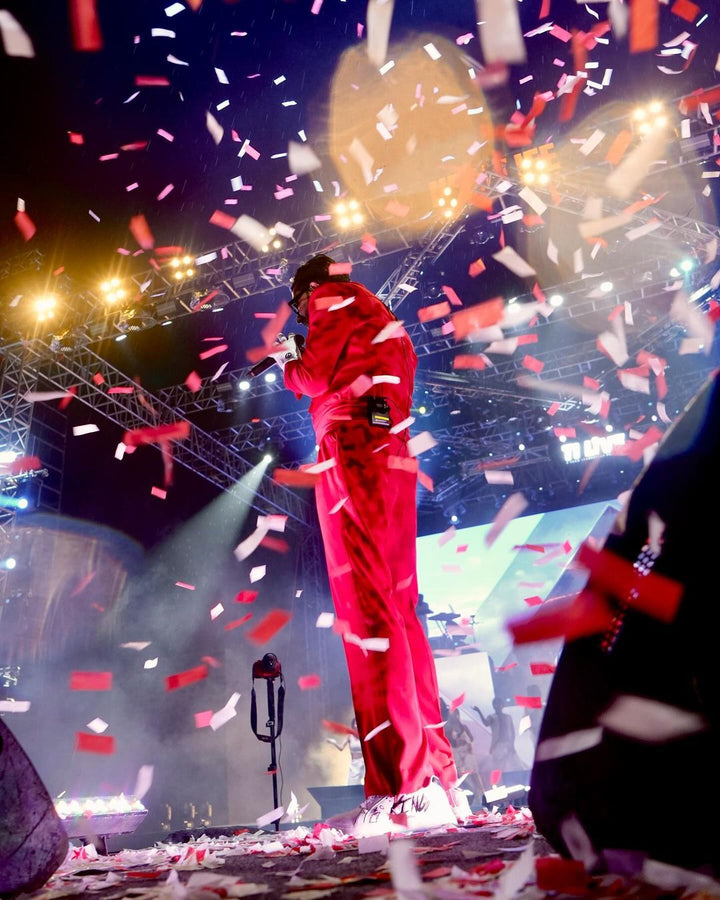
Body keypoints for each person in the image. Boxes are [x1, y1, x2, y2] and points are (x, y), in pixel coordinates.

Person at [276, 254, 467, 837]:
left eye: (301, 305)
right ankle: (439, 782)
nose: (304, 314)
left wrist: (288, 360)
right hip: (390, 450)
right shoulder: (383, 316)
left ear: (310, 292)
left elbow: (310, 377)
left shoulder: (333, 303)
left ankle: (400, 791)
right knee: (399, 610)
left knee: (368, 612)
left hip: (354, 446)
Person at [473, 696, 525, 782]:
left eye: (499, 704)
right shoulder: (492, 717)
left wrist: (512, 745)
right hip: (498, 745)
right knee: (498, 767)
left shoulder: (508, 717)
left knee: (516, 764)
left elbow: (512, 732)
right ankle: (499, 784)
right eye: (496, 704)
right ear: (494, 706)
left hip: (508, 744)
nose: (498, 706)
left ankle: (521, 781)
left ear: (502, 705)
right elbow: (486, 723)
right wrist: (479, 712)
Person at [325, 718, 366, 785]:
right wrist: (333, 742)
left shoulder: (363, 736)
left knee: (369, 781)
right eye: (355, 723)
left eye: (358, 723)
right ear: (353, 725)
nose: (357, 725)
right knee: (353, 784)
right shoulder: (349, 737)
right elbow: (341, 748)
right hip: (354, 763)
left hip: (363, 762)